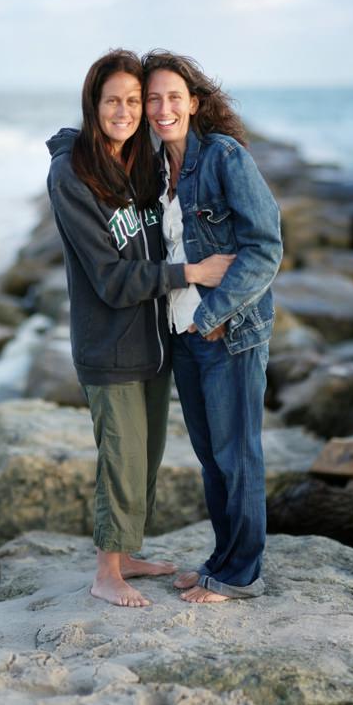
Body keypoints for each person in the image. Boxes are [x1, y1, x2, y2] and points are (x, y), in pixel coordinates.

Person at [45, 49, 234, 608]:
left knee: (146, 454)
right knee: (120, 456)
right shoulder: (72, 173)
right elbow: (107, 276)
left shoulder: (141, 163)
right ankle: (107, 572)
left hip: (154, 340)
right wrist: (192, 274)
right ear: (93, 104)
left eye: (134, 101)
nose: (125, 112)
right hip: (108, 343)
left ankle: (127, 551)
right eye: (114, 102)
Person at [142, 50, 283, 603]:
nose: (162, 108)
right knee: (210, 456)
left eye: (173, 96)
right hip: (182, 334)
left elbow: (265, 247)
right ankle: (220, 560)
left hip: (229, 333)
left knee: (237, 452)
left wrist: (214, 313)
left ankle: (241, 574)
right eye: (153, 98)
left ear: (195, 103)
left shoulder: (224, 157)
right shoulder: (157, 169)